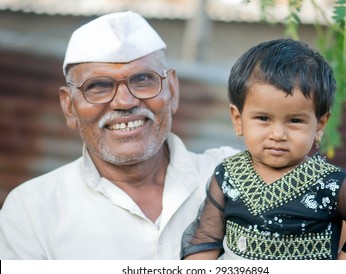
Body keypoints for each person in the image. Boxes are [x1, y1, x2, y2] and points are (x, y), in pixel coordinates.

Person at [0, 11, 238, 259]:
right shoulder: (31, 211)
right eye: (99, 86)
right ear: (69, 106)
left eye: (143, 79)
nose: (125, 102)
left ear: (173, 90)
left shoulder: (234, 177)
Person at [181, 38, 346, 260]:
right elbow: (205, 236)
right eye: (263, 118)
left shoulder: (330, 183)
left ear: (319, 125)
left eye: (295, 121)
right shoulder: (228, 175)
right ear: (238, 119)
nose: (278, 134)